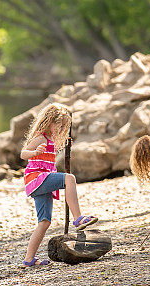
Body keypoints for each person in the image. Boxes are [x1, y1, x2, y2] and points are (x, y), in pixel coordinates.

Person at [20, 103, 98, 268]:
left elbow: (52, 150)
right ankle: (77, 219)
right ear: (49, 122)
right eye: (59, 125)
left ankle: (29, 259)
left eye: (64, 126)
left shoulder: (51, 140)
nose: (61, 128)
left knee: (44, 222)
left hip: (40, 181)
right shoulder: (40, 137)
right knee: (69, 179)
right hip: (37, 178)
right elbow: (23, 153)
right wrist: (34, 153)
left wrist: (66, 143)